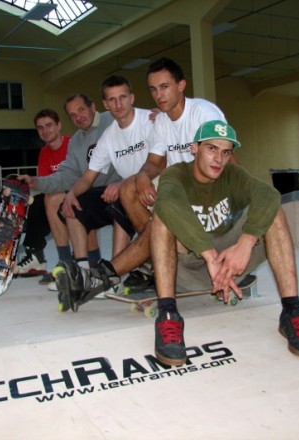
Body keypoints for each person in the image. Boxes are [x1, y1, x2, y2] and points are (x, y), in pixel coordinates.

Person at [59, 57, 230, 308]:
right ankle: (149, 260)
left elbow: (227, 160)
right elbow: (154, 162)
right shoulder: (160, 121)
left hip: (204, 193)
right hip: (176, 187)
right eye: (154, 89)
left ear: (181, 85)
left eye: (165, 87)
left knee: (154, 223)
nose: (159, 95)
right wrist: (140, 177)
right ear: (106, 104)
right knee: (130, 189)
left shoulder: (201, 113)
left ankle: (101, 277)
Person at [151, 120, 299, 366]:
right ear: (194, 148)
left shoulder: (232, 174)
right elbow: (167, 203)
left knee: (273, 211)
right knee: (161, 216)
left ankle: (292, 311)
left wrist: (246, 243)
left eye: (226, 151)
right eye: (211, 148)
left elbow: (268, 195)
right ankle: (167, 314)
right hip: (187, 268)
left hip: (231, 267)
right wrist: (209, 255)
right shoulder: (175, 175)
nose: (219, 158)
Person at [53, 74, 154, 311]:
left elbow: (159, 162)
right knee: (75, 207)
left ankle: (113, 274)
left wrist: (124, 183)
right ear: (106, 105)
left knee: (121, 199)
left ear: (132, 98)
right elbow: (89, 177)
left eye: (122, 98)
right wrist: (70, 195)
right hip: (126, 192)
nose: (118, 104)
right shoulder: (109, 137)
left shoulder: (150, 121)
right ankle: (84, 272)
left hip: (152, 188)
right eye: (112, 100)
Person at [18, 93, 121, 296]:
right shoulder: (76, 142)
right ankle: (76, 270)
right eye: (72, 115)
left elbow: (134, 117)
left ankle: (112, 273)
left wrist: (155, 115)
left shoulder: (112, 119)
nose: (78, 117)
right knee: (71, 201)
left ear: (92, 107)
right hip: (95, 192)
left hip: (124, 185)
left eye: (81, 110)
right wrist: (36, 182)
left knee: (76, 198)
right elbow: (65, 175)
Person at [16, 109, 70, 282]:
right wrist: (31, 183)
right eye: (40, 128)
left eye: (49, 125)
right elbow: (46, 184)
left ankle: (71, 261)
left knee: (48, 201)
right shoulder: (44, 153)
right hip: (56, 197)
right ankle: (35, 255)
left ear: (59, 125)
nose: (45, 131)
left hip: (78, 194)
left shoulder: (73, 143)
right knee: (35, 202)